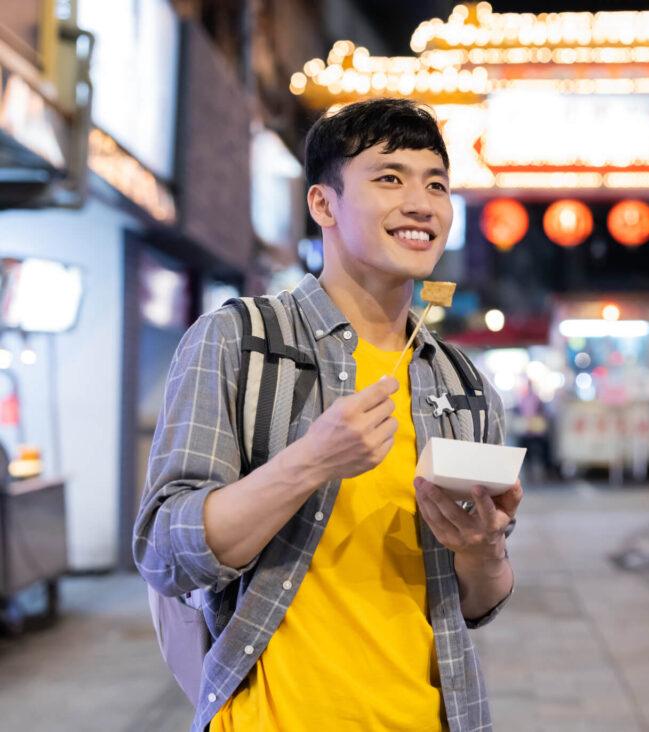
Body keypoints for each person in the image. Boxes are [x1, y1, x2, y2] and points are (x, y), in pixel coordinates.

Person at [134, 98, 521, 732]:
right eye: (389, 177)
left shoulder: (464, 385)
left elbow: (474, 604)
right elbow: (164, 551)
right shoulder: (241, 340)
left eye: (438, 184)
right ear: (323, 205)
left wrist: (483, 550)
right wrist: (310, 461)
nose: (422, 203)